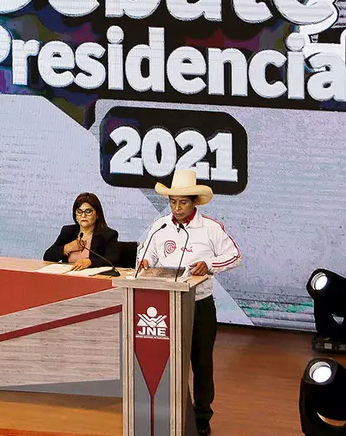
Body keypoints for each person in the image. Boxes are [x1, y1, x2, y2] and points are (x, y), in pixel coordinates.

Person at [136, 169, 241, 436]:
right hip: (166, 305)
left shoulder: (210, 228)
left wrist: (210, 265)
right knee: (169, 362)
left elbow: (235, 256)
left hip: (200, 305)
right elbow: (145, 254)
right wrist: (147, 263)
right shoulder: (160, 227)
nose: (177, 207)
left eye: (182, 202)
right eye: (172, 201)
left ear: (194, 201)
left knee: (202, 363)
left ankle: (202, 420)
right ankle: (171, 415)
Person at [43, 192, 119, 271]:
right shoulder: (68, 232)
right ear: (75, 215)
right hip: (69, 277)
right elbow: (47, 256)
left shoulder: (108, 235)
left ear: (97, 214)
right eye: (79, 212)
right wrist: (66, 248)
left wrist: (90, 262)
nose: (83, 216)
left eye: (88, 211)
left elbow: (113, 260)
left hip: (94, 279)